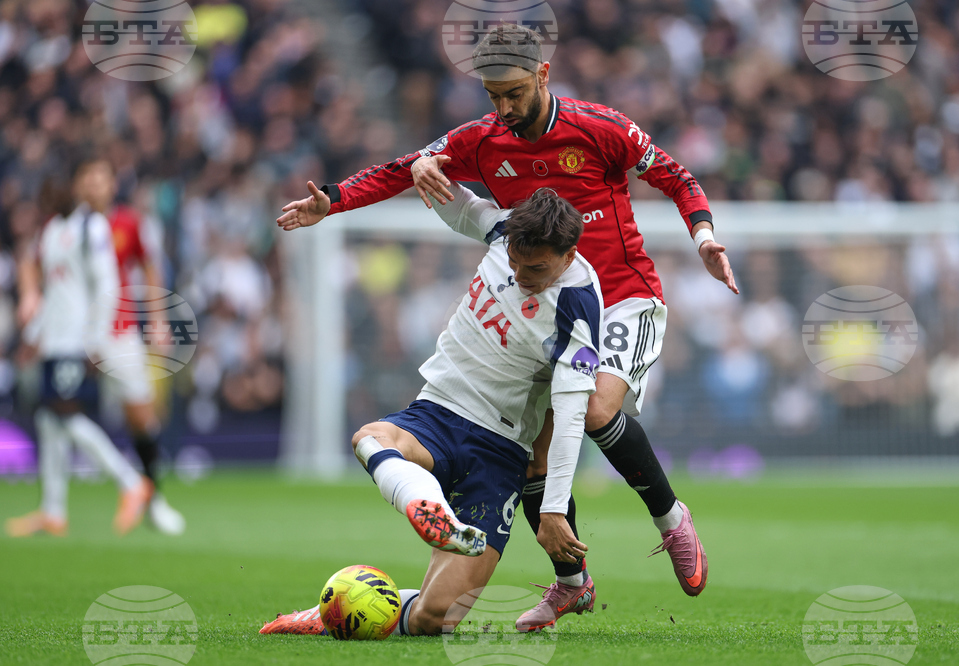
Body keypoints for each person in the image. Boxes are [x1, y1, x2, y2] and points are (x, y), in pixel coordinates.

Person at [277, 23, 736, 628]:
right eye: (493, 96)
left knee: (593, 409)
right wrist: (331, 200)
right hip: (543, 304)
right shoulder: (483, 139)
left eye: (514, 93)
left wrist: (702, 235)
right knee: (533, 453)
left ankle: (672, 521)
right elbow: (406, 169)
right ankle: (571, 582)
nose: (504, 107)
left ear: (542, 75)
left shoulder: (600, 128)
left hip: (624, 297)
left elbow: (677, 177)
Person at [262, 184, 602, 636]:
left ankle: (331, 614)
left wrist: (554, 509)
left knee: (434, 618)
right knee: (370, 436)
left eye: (535, 268)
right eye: (515, 264)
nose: (520, 275)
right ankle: (429, 509)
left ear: (568, 254)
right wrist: (422, 168)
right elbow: (448, 197)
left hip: (500, 452)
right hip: (438, 411)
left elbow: (570, 414)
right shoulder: (502, 229)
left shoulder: (578, 308)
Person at [5, 160, 150, 538]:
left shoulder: (92, 226)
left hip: (76, 339)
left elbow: (107, 284)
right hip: (54, 340)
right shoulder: (52, 230)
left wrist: (97, 340)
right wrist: (35, 335)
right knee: (46, 420)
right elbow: (53, 292)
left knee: (63, 416)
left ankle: (131, 483)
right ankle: (52, 511)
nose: (47, 195)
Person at [104, 199, 186, 535]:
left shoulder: (127, 222)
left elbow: (149, 265)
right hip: (70, 331)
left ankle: (152, 498)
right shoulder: (59, 227)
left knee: (141, 416)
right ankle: (53, 508)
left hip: (117, 330)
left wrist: (156, 318)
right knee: (56, 414)